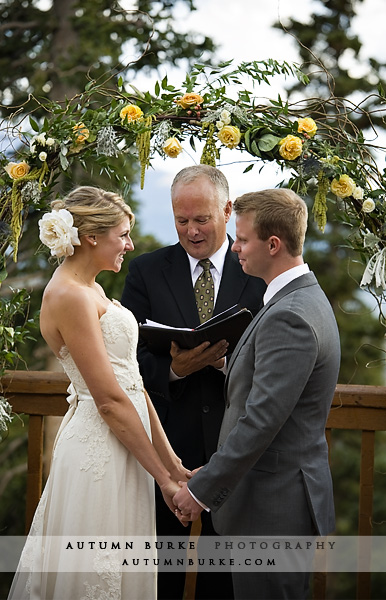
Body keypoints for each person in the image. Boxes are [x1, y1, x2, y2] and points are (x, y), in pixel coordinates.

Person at [8, 186, 190, 600]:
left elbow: (133, 384)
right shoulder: (69, 295)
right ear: (91, 237)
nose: (129, 244)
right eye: (123, 234)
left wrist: (173, 464)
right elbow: (108, 400)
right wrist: (162, 479)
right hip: (99, 453)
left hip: (128, 447)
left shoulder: (92, 287)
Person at [173, 188, 341, 600]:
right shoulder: (297, 299)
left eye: (243, 240)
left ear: (273, 244)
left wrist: (200, 489)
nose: (235, 250)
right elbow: (276, 383)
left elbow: (263, 419)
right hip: (273, 502)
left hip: (274, 509)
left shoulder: (290, 316)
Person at [121, 165, 266, 599]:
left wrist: (224, 365)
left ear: (226, 210)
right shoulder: (146, 270)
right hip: (165, 454)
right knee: (158, 575)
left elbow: (274, 358)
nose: (192, 231)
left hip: (233, 449)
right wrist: (173, 370)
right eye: (181, 220)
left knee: (223, 581)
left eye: (201, 219)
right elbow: (127, 362)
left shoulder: (258, 270)